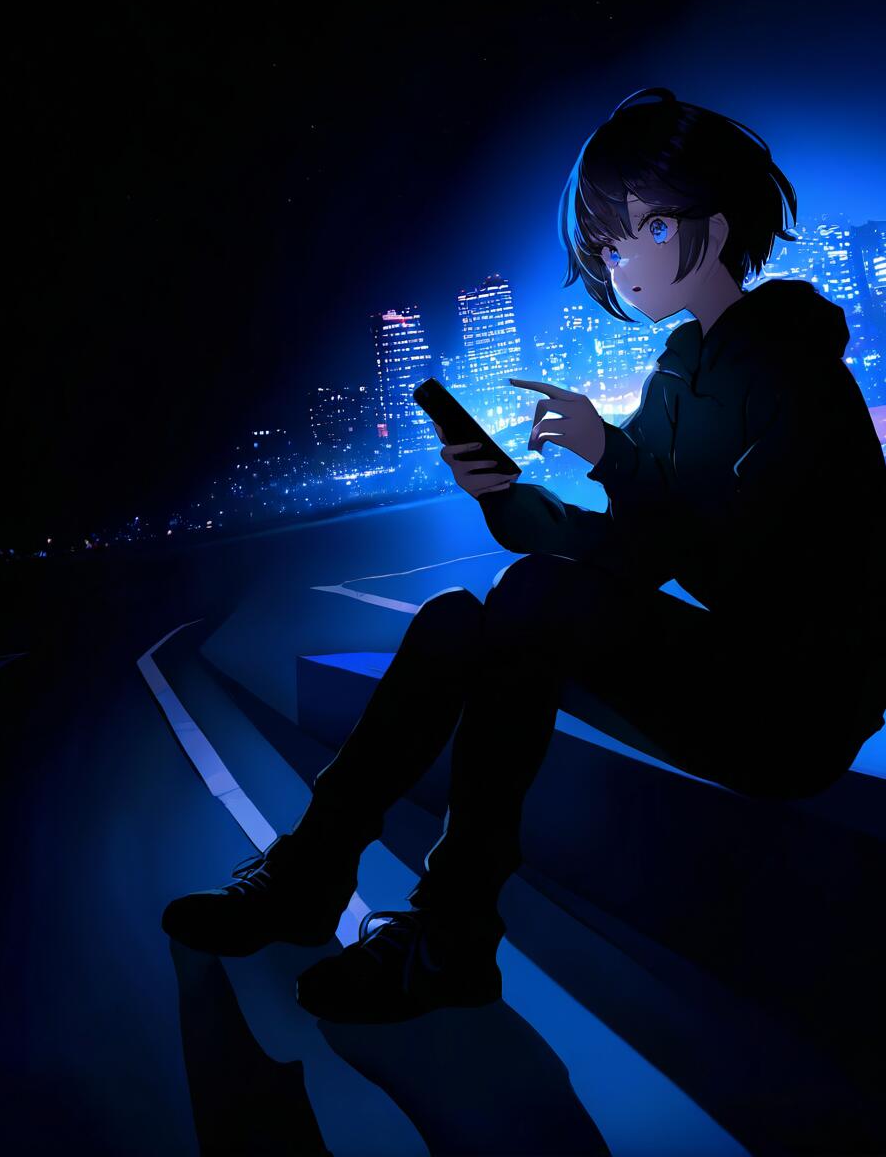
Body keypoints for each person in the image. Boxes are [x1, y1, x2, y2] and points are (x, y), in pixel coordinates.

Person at [161, 87, 885, 1024]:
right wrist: (504, 495)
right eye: (608, 243)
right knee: (459, 620)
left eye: (644, 229)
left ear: (719, 217)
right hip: (726, 669)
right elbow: (629, 554)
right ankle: (309, 874)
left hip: (795, 706)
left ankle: (451, 937)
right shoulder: (678, 373)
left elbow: (747, 572)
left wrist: (612, 458)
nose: (621, 262)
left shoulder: (793, 371)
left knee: (534, 598)